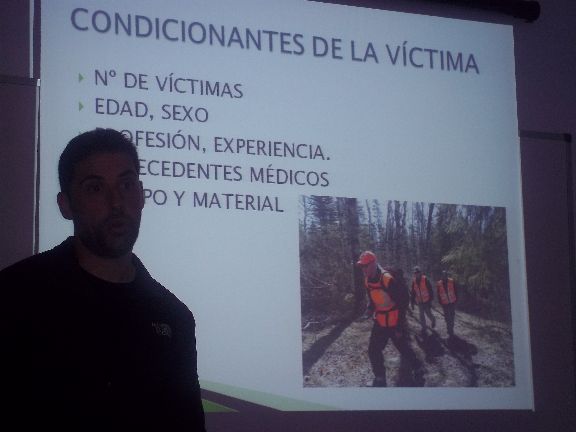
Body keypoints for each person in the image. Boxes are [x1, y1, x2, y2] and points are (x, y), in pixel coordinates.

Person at [0, 128, 205, 429]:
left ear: (141, 194)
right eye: (96, 188)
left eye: (126, 185)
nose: (116, 202)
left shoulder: (174, 317)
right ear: (66, 205)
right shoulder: (15, 297)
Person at [357, 251, 417, 387]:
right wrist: (368, 311)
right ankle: (380, 378)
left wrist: (399, 326)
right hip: (380, 322)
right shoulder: (367, 281)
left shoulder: (387, 279)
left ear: (373, 264)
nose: (363, 269)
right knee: (373, 350)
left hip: (395, 321)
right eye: (362, 266)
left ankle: (417, 367)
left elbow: (403, 302)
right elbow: (372, 301)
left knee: (403, 348)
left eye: (365, 266)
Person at [410, 265, 436, 335]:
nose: (416, 274)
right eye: (415, 273)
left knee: (428, 314)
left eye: (417, 272)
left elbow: (430, 290)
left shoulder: (425, 279)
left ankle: (433, 320)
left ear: (420, 272)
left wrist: (430, 300)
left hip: (427, 300)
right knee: (421, 315)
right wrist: (412, 301)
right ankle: (423, 328)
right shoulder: (414, 281)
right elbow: (413, 292)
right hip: (420, 301)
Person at [436, 270, 458, 339]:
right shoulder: (439, 283)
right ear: (441, 276)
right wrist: (440, 301)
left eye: (445, 275)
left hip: (452, 301)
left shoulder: (451, 281)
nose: (444, 276)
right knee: (447, 317)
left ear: (447, 275)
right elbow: (438, 293)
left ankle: (451, 329)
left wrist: (456, 299)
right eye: (443, 275)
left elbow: (456, 290)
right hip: (444, 303)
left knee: (452, 316)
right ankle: (449, 329)